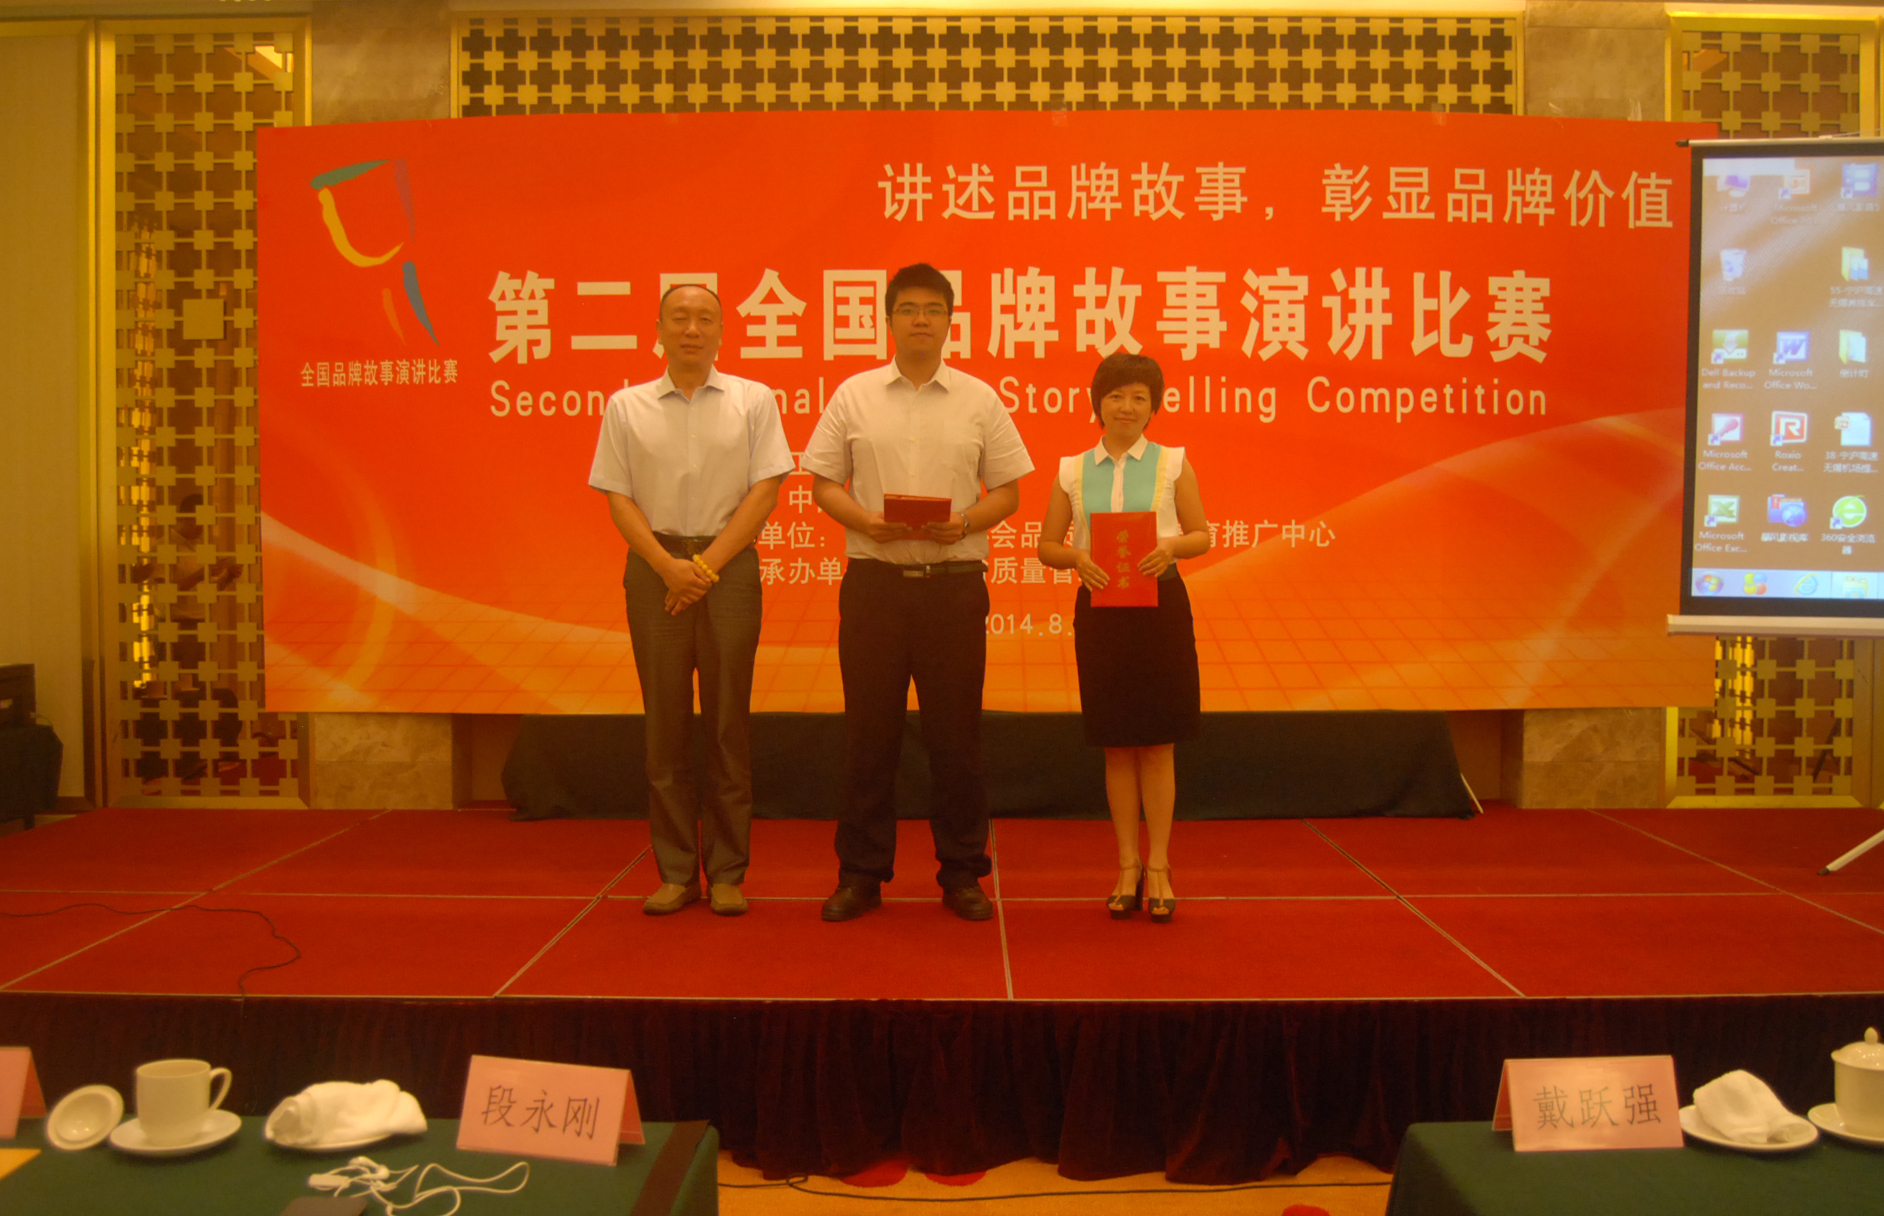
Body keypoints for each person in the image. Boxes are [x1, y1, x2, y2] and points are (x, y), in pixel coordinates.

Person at [802, 263, 1034, 922]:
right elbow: (822, 483)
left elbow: (1009, 492)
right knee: (868, 737)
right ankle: (861, 874)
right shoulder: (853, 395)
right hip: (874, 586)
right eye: (908, 309)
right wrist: (863, 520)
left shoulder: (979, 399)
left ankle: (962, 871)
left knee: (956, 739)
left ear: (950, 320)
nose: (921, 320)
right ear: (889, 319)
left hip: (952, 588)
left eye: (933, 309)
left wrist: (965, 522)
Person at [587, 284, 793, 917]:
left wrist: (703, 567)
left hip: (728, 567)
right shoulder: (626, 406)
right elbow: (618, 496)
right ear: (658, 329)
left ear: (723, 331)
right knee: (665, 725)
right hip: (656, 568)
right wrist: (667, 566)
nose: (692, 329)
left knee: (728, 723)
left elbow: (765, 491)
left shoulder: (753, 400)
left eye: (706, 318)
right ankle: (676, 872)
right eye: (680, 317)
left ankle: (727, 871)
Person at [1037, 352, 1210, 922]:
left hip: (1160, 610)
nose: (1126, 407)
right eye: (1115, 396)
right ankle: (1127, 865)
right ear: (1098, 404)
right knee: (1116, 743)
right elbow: (1047, 545)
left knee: (1158, 743)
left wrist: (1171, 547)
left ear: (1154, 407)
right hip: (1102, 611)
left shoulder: (1173, 462)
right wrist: (1077, 558)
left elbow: (1202, 534)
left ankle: (1159, 865)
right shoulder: (1071, 469)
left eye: (1139, 397)